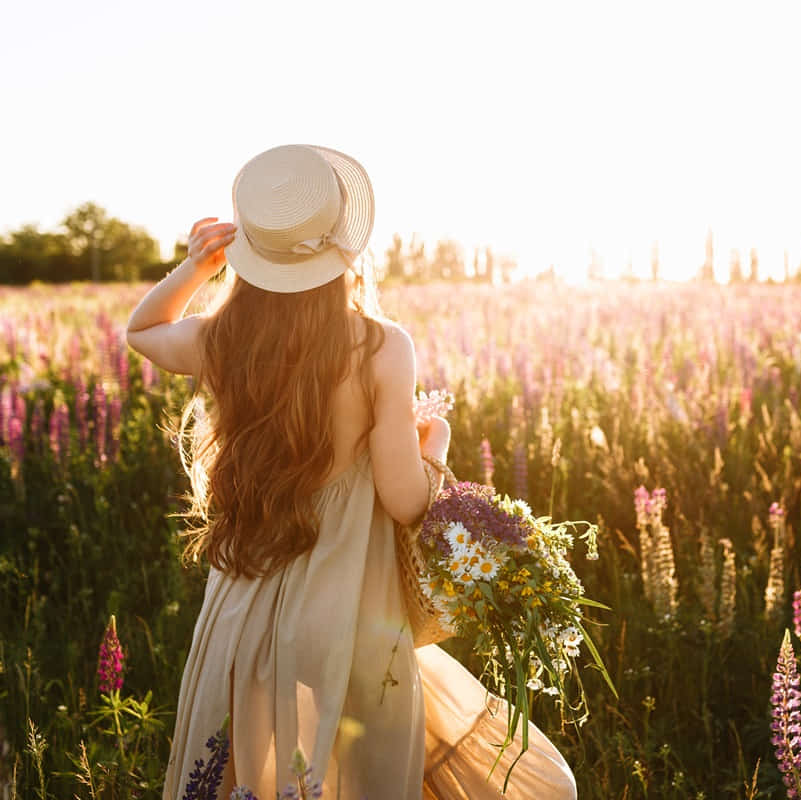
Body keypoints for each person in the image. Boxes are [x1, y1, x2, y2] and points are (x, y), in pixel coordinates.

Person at [126, 144, 577, 799]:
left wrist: (196, 266)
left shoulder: (222, 341)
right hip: (348, 602)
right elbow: (403, 499)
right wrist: (437, 444)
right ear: (342, 249)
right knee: (357, 768)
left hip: (244, 602)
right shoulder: (381, 345)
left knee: (250, 767)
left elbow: (143, 331)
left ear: (252, 252)